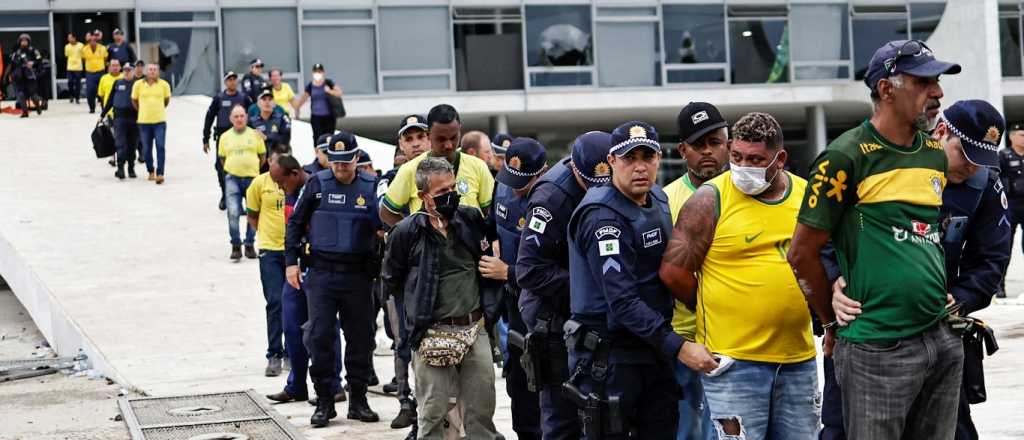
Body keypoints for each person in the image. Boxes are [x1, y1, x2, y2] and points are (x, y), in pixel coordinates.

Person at [786, 39, 963, 440]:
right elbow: (801, 252)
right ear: (887, 89)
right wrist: (829, 317)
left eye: (936, 82)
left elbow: (921, 235)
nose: (937, 93)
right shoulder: (845, 157)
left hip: (941, 337)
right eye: (924, 82)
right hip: (876, 347)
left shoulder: (934, 153)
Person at [823, 101, 1011, 440]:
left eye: (979, 160)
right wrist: (833, 283)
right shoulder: (878, 164)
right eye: (964, 154)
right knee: (843, 430)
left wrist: (962, 298)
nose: (971, 167)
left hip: (936, 329)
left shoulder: (982, 186)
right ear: (940, 133)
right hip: (869, 330)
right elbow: (818, 239)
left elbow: (991, 259)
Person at [660, 112, 817, 439]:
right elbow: (674, 273)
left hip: (797, 362)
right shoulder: (707, 199)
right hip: (733, 365)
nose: (744, 166)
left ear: (780, 158)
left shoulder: (806, 196)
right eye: (737, 157)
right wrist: (717, 305)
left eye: (756, 159)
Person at [566, 121, 708, 439]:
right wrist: (679, 346)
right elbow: (622, 301)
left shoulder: (657, 199)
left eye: (648, 157)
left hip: (652, 351)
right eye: (630, 158)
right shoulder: (602, 217)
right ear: (612, 162)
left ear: (659, 159)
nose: (640, 167)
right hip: (611, 358)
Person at [381, 157, 503, 440]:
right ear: (424, 197)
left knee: (481, 410)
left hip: (475, 328)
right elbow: (392, 279)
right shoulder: (407, 232)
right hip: (430, 333)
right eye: (441, 192)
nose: (450, 196)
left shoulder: (470, 219)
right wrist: (417, 314)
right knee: (432, 413)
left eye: (452, 188)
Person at [515, 130, 613, 440]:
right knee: (562, 419)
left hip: (595, 317)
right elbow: (528, 270)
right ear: (575, 169)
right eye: (591, 185)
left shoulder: (617, 178)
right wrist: (588, 287)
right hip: (554, 319)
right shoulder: (551, 198)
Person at [285, 131, 382, 428]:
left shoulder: (372, 186)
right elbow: (296, 223)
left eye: (345, 162)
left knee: (361, 339)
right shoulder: (317, 184)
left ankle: (358, 399)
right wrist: (291, 263)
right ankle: (325, 401)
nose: (340, 168)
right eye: (335, 162)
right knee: (320, 337)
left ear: (356, 158)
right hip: (323, 274)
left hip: (359, 275)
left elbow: (386, 225)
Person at [661, 102, 729, 440]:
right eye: (698, 145)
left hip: (738, 341)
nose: (708, 152)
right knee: (688, 431)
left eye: (715, 142)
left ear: (728, 144)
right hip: (686, 340)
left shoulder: (747, 190)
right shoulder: (664, 200)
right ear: (682, 150)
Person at [265, 154, 346, 405]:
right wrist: (290, 263)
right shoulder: (291, 192)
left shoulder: (319, 187)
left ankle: (333, 385)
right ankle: (296, 385)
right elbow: (292, 228)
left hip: (321, 270)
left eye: (281, 182)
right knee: (292, 327)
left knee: (323, 329)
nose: (280, 188)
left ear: (295, 174)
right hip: (297, 269)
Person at [487, 137, 548, 440]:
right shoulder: (503, 189)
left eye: (524, 182)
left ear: (543, 172)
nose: (516, 187)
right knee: (517, 381)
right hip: (512, 305)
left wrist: (508, 273)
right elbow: (491, 228)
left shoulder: (553, 201)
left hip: (543, 307)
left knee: (543, 382)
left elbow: (553, 269)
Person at [378, 114, 431, 431]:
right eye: (408, 139)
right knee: (403, 340)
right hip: (406, 273)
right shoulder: (391, 179)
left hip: (439, 270)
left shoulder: (442, 170)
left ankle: (430, 408)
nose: (414, 144)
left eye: (419, 137)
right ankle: (405, 401)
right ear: (400, 144)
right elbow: (385, 218)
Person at [380, 104, 495, 227]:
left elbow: (491, 213)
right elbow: (386, 212)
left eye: (453, 137)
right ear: (429, 135)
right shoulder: (409, 170)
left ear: (460, 130)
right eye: (441, 139)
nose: (448, 145)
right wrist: (412, 235)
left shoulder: (478, 166)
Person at [246, 149, 290, 376]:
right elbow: (252, 214)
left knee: (294, 304)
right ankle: (274, 353)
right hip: (270, 251)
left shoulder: (293, 182)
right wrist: (264, 235)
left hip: (293, 251)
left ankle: (293, 352)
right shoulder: (259, 184)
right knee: (274, 302)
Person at [218, 105, 265, 260]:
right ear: (231, 119)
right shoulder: (224, 137)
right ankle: (236, 245)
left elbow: (262, 156)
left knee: (253, 212)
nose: (239, 119)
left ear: (246, 117)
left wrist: (251, 168)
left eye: (242, 116)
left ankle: (250, 244)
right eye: (236, 116)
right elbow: (222, 159)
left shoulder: (256, 135)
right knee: (233, 212)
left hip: (252, 179)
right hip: (233, 178)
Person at [204, 71, 253, 210]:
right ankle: (225, 195)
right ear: (225, 82)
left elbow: (253, 114)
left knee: (241, 166)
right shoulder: (219, 98)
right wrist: (205, 138)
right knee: (221, 167)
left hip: (242, 137)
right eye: (229, 79)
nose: (232, 82)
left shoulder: (244, 98)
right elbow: (209, 117)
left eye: (234, 79)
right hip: (223, 138)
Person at [132, 63, 172, 184]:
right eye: (150, 69)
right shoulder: (138, 85)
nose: (152, 71)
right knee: (146, 149)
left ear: (158, 72)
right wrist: (142, 110)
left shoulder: (164, 85)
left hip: (159, 121)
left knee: (160, 147)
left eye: (155, 69)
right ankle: (151, 170)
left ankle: (160, 173)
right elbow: (134, 100)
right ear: (146, 71)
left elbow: (166, 101)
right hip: (144, 122)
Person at [100, 61, 139, 180]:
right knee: (120, 143)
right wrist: (102, 115)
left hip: (134, 118)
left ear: (133, 71)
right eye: (125, 70)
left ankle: (131, 167)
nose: (127, 72)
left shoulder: (138, 84)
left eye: (129, 70)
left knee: (132, 144)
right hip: (119, 118)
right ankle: (120, 168)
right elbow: (110, 100)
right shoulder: (117, 83)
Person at [999, 122, 1024, 298]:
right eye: (1021, 135)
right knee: (1004, 247)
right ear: (1012, 137)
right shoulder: (1004, 156)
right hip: (1011, 206)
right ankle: (999, 285)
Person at [294, 63, 343, 145]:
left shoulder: (328, 83)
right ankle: (318, 155)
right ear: (313, 73)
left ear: (323, 72)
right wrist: (297, 108)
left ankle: (329, 155)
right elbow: (303, 98)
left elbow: (339, 93)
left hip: (329, 116)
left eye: (319, 71)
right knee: (317, 137)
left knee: (329, 138)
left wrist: (329, 91)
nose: (318, 73)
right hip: (316, 117)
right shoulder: (310, 85)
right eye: (316, 71)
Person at [9, 34, 43, 118]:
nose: (24, 42)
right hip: (20, 77)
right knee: (20, 95)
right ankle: (25, 112)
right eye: (22, 41)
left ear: (28, 41)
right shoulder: (17, 52)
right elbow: (12, 64)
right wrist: (11, 74)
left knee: (33, 96)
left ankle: (38, 107)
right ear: (19, 42)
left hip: (30, 76)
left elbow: (39, 60)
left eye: (25, 41)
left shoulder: (33, 50)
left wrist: (33, 63)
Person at [250, 87, 292, 153]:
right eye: (264, 99)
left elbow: (286, 138)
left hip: (277, 156)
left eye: (270, 99)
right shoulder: (251, 121)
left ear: (274, 103)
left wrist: (266, 137)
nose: (267, 102)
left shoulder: (282, 118)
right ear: (258, 103)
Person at [81, 32, 108, 114]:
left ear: (97, 40)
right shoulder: (84, 49)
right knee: (90, 90)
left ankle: (104, 107)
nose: (92, 42)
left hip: (100, 72)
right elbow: (83, 59)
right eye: (90, 40)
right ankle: (92, 108)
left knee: (102, 91)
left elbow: (105, 58)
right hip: (90, 73)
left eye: (94, 40)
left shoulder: (102, 48)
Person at [64, 33, 84, 104]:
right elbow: (66, 55)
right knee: (70, 82)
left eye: (70, 37)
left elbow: (83, 55)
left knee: (78, 83)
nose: (68, 39)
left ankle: (77, 98)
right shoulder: (67, 46)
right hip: (70, 67)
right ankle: (71, 95)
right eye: (68, 38)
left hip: (78, 67)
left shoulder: (81, 45)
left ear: (74, 38)